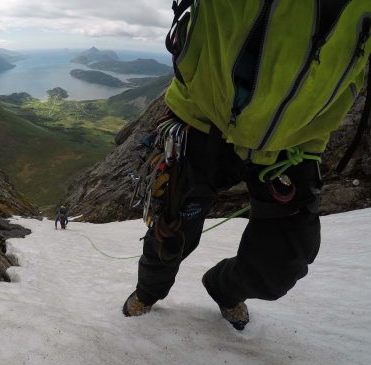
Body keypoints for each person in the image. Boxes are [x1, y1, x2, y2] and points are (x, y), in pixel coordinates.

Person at [123, 0, 371, 330]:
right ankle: (149, 291)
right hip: (204, 117)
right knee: (173, 230)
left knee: (282, 263)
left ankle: (224, 288)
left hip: (297, 139)